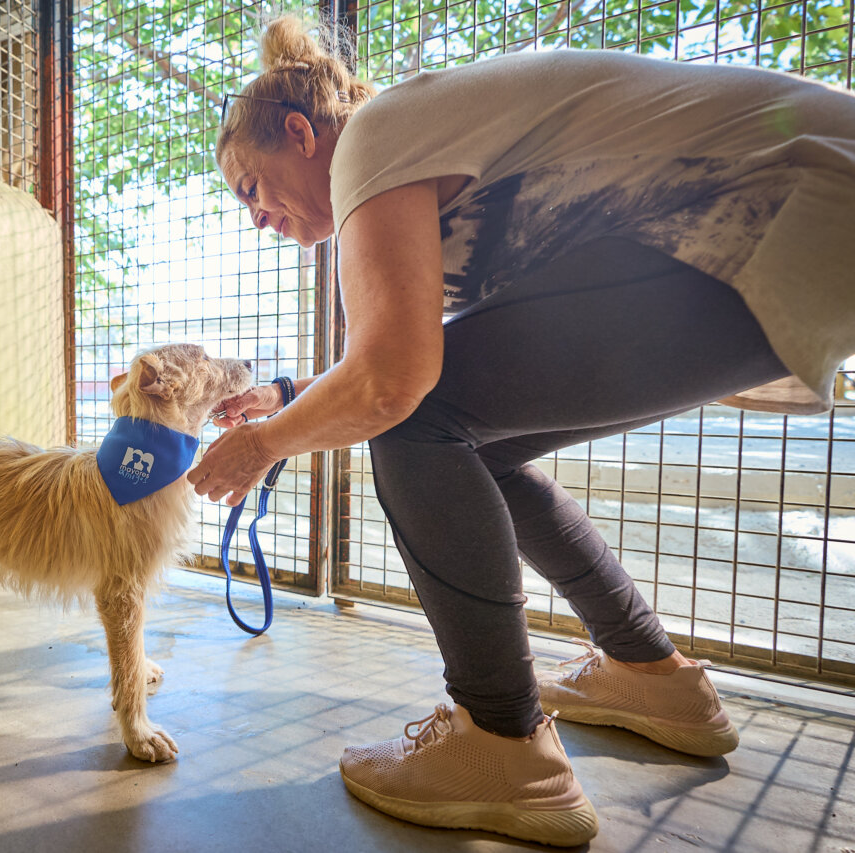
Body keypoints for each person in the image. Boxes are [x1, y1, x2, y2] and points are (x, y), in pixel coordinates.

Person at [187, 10, 855, 848]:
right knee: (476, 436)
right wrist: (288, 394)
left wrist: (264, 441)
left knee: (420, 419)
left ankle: (501, 742)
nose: (254, 218)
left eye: (250, 187)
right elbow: (418, 353)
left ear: (300, 134)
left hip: (787, 199)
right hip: (790, 221)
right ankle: (654, 675)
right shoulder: (422, 152)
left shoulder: (370, 138)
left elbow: (394, 381)